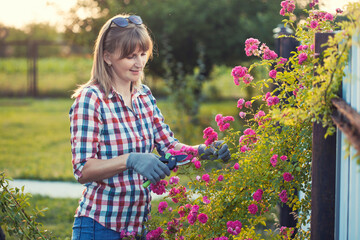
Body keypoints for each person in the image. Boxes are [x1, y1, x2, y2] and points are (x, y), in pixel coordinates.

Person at [69, 14, 230, 240]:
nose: (139, 63)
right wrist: (131, 159)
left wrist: (203, 151)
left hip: (136, 228)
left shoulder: (143, 95)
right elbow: (83, 169)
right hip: (99, 227)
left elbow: (169, 147)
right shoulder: (91, 99)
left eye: (143, 54)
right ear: (107, 56)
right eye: (130, 56)